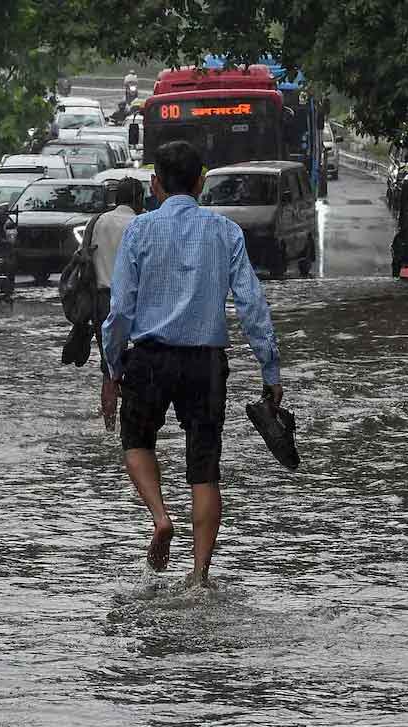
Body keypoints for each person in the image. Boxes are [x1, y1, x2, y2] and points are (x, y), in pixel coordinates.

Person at [101, 141, 283, 582]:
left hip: (148, 357)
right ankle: (200, 574)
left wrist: (111, 370)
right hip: (206, 364)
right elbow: (252, 305)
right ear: (201, 181)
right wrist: (270, 369)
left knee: (136, 442)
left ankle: (161, 518)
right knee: (205, 468)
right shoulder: (225, 232)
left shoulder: (139, 232)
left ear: (155, 183)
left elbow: (121, 309)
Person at [61, 178, 143, 425]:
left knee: (109, 368)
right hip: (137, 302)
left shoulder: (97, 222)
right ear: (138, 199)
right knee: (140, 363)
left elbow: (84, 259)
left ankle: (109, 424)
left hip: (102, 302)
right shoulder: (143, 223)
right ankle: (133, 424)